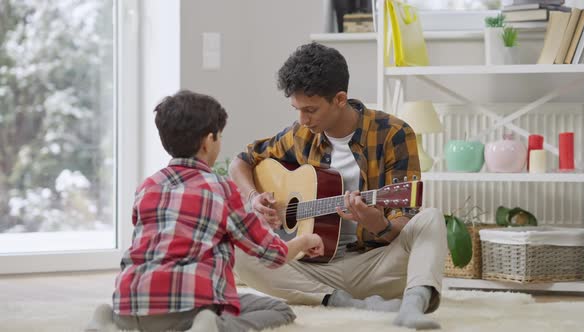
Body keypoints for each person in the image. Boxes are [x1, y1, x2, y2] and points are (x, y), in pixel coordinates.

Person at [229, 43, 447, 330]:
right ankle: (341, 301)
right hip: (312, 269)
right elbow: (241, 161)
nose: (302, 120)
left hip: (373, 265)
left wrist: (377, 222)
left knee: (431, 219)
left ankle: (412, 306)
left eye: (310, 110)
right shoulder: (299, 135)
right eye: (297, 110)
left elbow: (403, 221)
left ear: (340, 99)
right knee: (237, 251)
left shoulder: (393, 133)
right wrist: (255, 197)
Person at [84, 90, 324, 332]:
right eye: (219, 137)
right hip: (189, 307)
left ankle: (106, 320)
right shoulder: (221, 189)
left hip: (129, 304)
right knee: (280, 310)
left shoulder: (148, 187)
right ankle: (211, 326)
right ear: (208, 141)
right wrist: (306, 240)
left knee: (130, 311)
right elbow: (273, 255)